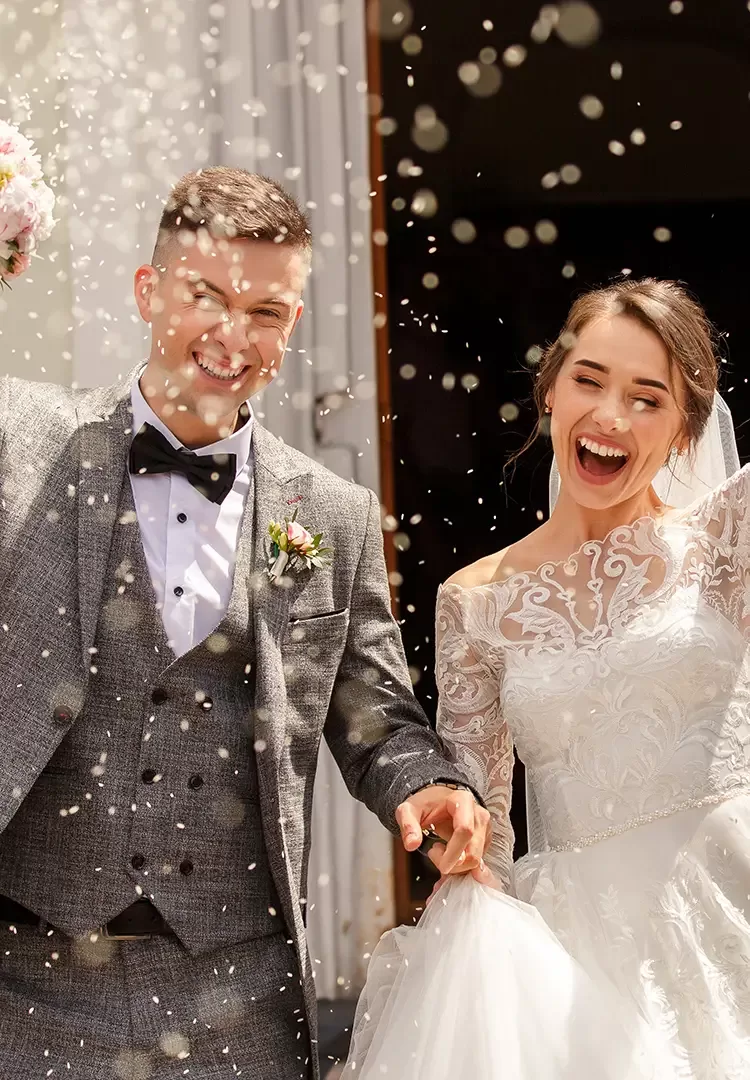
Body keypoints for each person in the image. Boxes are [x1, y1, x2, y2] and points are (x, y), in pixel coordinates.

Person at [0, 166, 491, 1079]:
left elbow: (374, 716)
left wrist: (427, 788)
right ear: (148, 292)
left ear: (294, 324)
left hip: (237, 995)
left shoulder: (331, 513)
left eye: (266, 312)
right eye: (207, 297)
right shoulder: (20, 442)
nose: (234, 335)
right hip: (25, 979)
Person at [346, 278, 750, 1079]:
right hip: (579, 956)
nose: (610, 416)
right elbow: (481, 822)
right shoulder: (476, 600)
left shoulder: (727, 540)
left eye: (647, 398)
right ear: (551, 391)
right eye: (589, 380)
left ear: (682, 431)